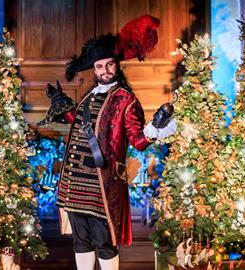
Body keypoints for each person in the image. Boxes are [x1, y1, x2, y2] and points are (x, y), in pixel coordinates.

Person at [38, 15, 176, 270]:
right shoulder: (89, 97)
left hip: (103, 186)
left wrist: (157, 126)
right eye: (99, 66)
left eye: (109, 65)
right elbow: (79, 122)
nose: (104, 71)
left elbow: (138, 141)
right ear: (95, 69)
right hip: (75, 184)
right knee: (81, 241)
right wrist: (60, 101)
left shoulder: (127, 100)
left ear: (117, 66)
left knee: (104, 242)